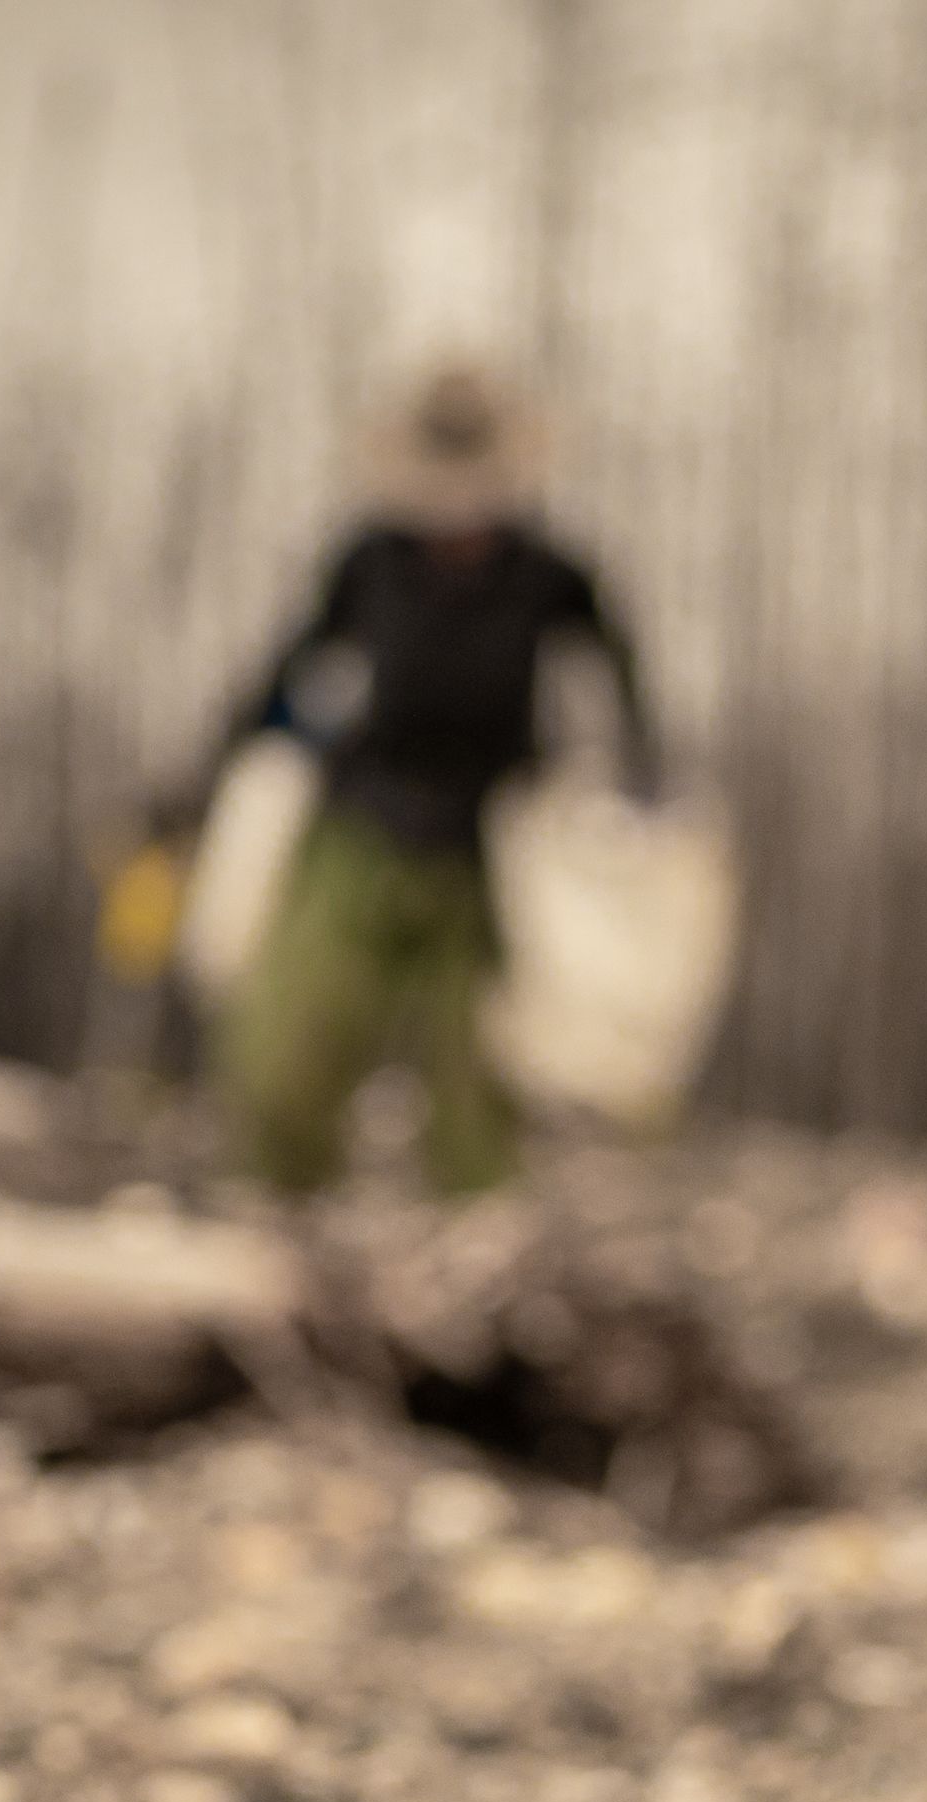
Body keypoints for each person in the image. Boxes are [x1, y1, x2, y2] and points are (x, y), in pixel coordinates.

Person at [189, 361, 659, 1194]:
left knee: (480, 1063)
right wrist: (218, 769)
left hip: (490, 845)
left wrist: (633, 783)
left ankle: (476, 1222)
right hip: (362, 824)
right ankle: (277, 1201)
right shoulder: (370, 563)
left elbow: (617, 677)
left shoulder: (547, 574)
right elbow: (292, 672)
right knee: (291, 1033)